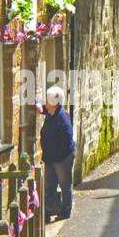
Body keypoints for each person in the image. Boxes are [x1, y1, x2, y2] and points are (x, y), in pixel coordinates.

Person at [41, 86, 76, 222]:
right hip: (51, 158)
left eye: (46, 100)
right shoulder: (51, 113)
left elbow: (67, 138)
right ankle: (47, 212)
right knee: (49, 185)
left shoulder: (62, 117)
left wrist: (57, 158)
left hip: (62, 158)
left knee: (65, 185)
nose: (45, 102)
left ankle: (65, 211)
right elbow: (45, 111)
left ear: (52, 102)